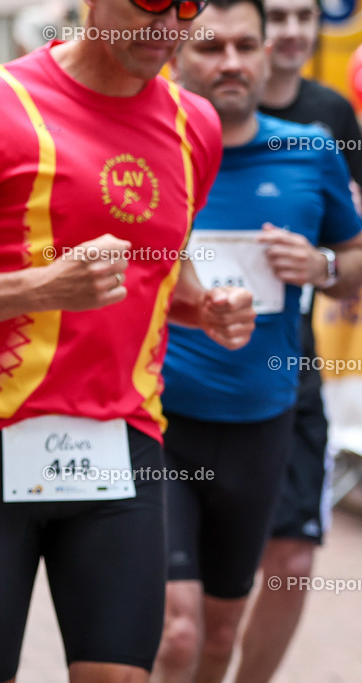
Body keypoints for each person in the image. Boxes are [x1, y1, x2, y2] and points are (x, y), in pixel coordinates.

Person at [0, 0, 257, 680]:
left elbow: (160, 265)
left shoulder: (196, 124)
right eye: (148, 7)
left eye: (187, 9)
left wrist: (205, 307)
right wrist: (39, 289)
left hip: (122, 437)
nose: (168, 28)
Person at [152, 1, 362, 681]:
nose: (233, 63)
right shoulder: (149, 150)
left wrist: (323, 265)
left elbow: (353, 257)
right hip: (159, 420)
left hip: (265, 418)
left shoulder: (311, 149)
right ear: (178, 54)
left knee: (217, 635)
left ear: (270, 53)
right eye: (212, 47)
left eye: (247, 45)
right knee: (176, 631)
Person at [235, 1, 362, 679]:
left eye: (302, 15)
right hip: (180, 379)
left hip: (291, 371)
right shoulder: (187, 110)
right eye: (275, 15)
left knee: (289, 557)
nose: (290, 30)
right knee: (187, 604)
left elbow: (352, 248)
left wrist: (328, 266)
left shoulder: (329, 117)